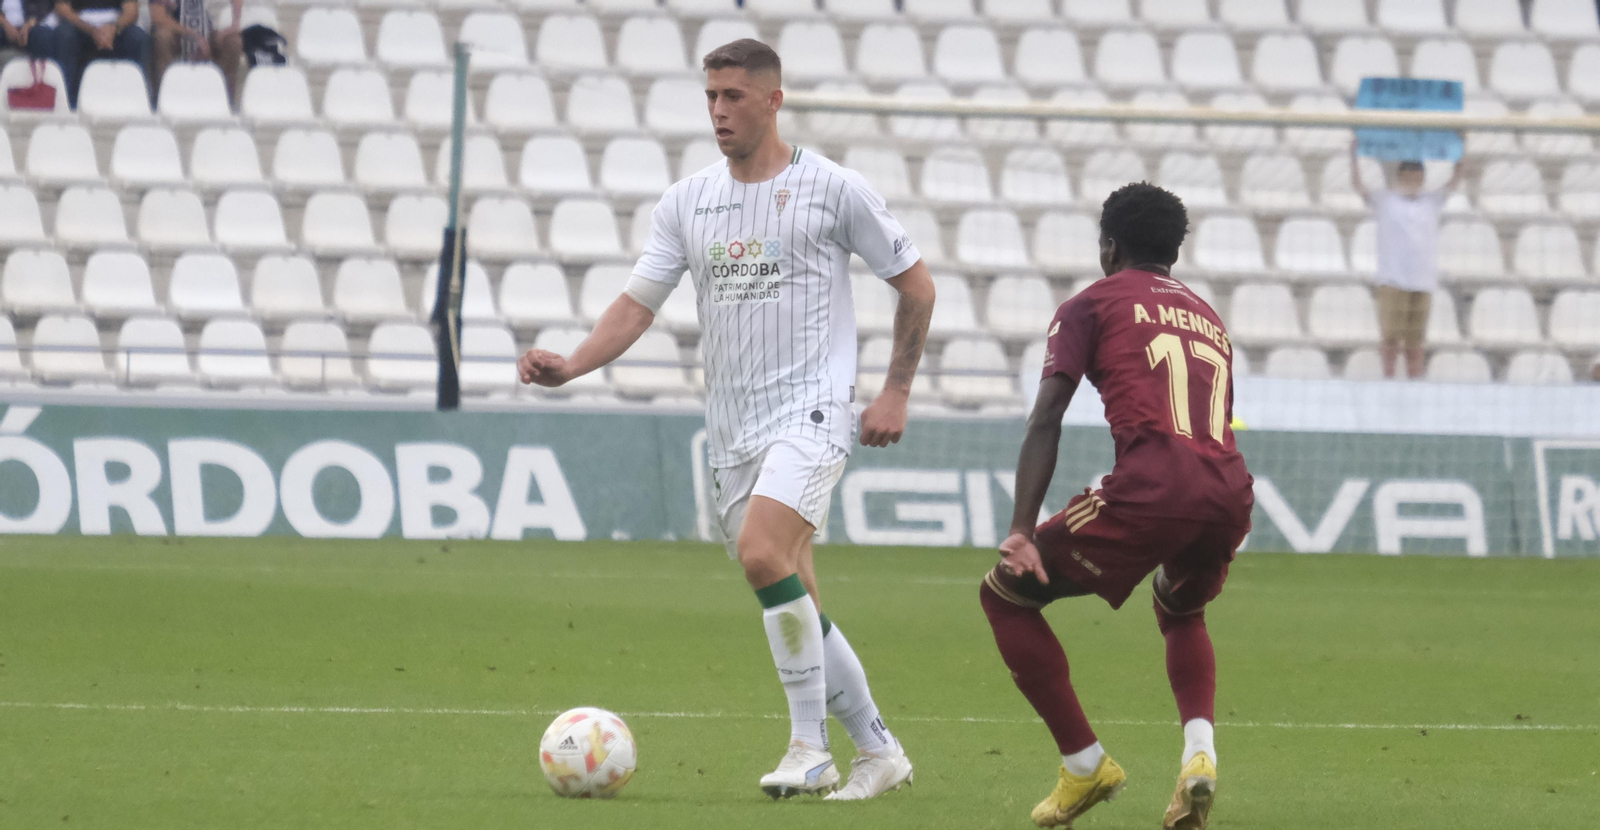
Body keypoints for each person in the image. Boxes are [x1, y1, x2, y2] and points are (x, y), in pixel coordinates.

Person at [518, 39, 936, 801]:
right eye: (710, 96)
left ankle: (808, 748)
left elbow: (916, 285)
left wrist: (895, 390)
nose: (718, 110)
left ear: (773, 100)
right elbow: (638, 303)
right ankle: (879, 751)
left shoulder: (834, 189)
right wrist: (574, 364)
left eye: (734, 96)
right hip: (734, 428)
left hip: (810, 413)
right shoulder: (689, 199)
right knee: (791, 589)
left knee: (759, 553)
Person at [980, 182, 1254, 830]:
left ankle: (1084, 764)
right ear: (1174, 253)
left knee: (1006, 595)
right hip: (1229, 490)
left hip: (1154, 486)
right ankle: (1199, 758)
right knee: (1180, 606)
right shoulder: (1208, 316)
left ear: (1108, 246)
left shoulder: (1091, 305)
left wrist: (1023, 528)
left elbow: (1047, 417)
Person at [1350, 142, 1462, 379]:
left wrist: (1460, 149)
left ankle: (1414, 380)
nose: (1413, 182)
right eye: (1408, 176)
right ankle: (1388, 377)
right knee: (1390, 338)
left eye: (1417, 177)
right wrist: (1353, 156)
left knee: (1416, 341)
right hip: (1393, 279)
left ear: (1422, 179)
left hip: (1422, 280)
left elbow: (1455, 179)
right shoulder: (1386, 200)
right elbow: (1359, 187)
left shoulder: (1432, 201)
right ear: (1400, 177)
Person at [52, 0, 149, 107]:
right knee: (64, 35)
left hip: (115, 26)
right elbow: (62, 9)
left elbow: (131, 11)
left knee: (137, 37)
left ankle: (136, 102)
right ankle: (67, 104)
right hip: (80, 25)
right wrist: (92, 30)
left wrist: (114, 28)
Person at [150, 0, 243, 108]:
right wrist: (194, 36)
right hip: (176, 29)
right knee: (162, 36)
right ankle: (165, 98)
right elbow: (158, 17)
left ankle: (224, 101)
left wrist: (235, 24)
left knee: (233, 41)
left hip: (211, 29)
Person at [1, 0, 63, 65]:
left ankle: (43, 72)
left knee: (41, 35)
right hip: (5, 25)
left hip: (35, 24)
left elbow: (45, 9)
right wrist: (6, 24)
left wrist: (29, 25)